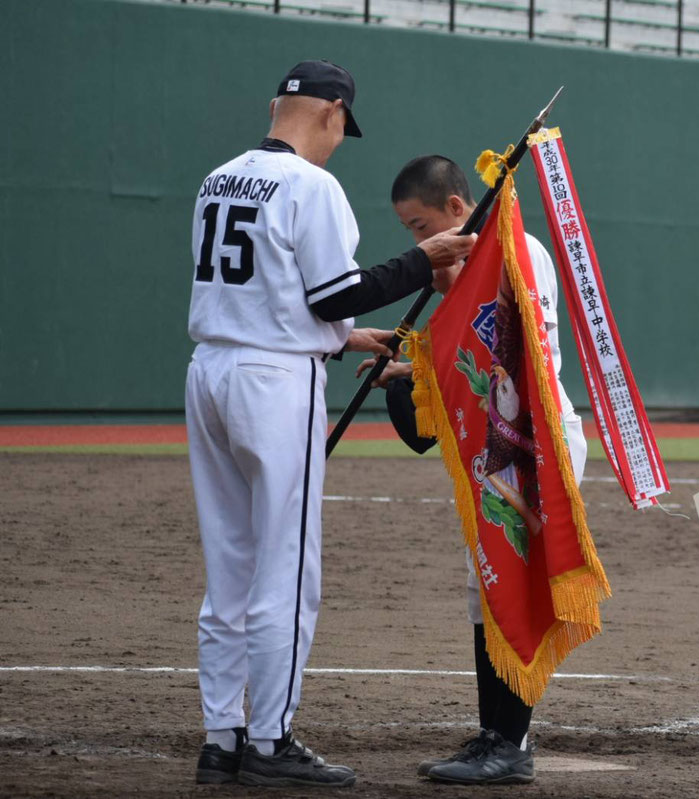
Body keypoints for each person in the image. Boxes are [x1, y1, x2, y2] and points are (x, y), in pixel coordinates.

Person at [187, 61, 475, 788]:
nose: (342, 139)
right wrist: (425, 258)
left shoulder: (218, 177)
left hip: (212, 371)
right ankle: (271, 739)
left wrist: (349, 335)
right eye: (345, 125)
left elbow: (271, 296)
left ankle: (221, 737)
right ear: (332, 113)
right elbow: (332, 293)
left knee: (230, 567)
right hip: (274, 384)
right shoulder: (312, 186)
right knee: (286, 567)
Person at [358, 155, 587, 785]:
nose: (418, 241)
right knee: (484, 589)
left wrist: (452, 288)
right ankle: (496, 734)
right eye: (409, 231)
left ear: (458, 209)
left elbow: (516, 355)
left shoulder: (517, 251)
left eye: (421, 225)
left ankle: (510, 745)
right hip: (499, 443)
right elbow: (471, 358)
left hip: (533, 442)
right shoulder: (471, 265)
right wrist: (412, 371)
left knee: (508, 582)